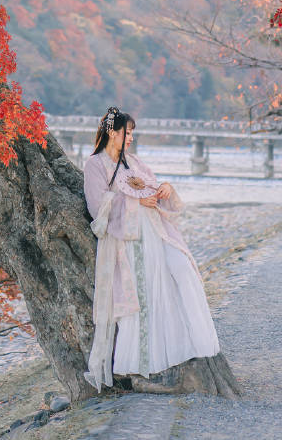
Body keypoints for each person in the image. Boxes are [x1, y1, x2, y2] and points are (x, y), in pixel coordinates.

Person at [82, 106, 219, 392]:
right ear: (111, 132)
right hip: (127, 241)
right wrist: (133, 203)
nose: (130, 138)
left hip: (154, 233)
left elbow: (150, 188)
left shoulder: (133, 162)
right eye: (126, 132)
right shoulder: (94, 165)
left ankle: (188, 344)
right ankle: (139, 366)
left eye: (132, 133)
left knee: (180, 269)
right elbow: (98, 208)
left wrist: (164, 189)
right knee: (140, 298)